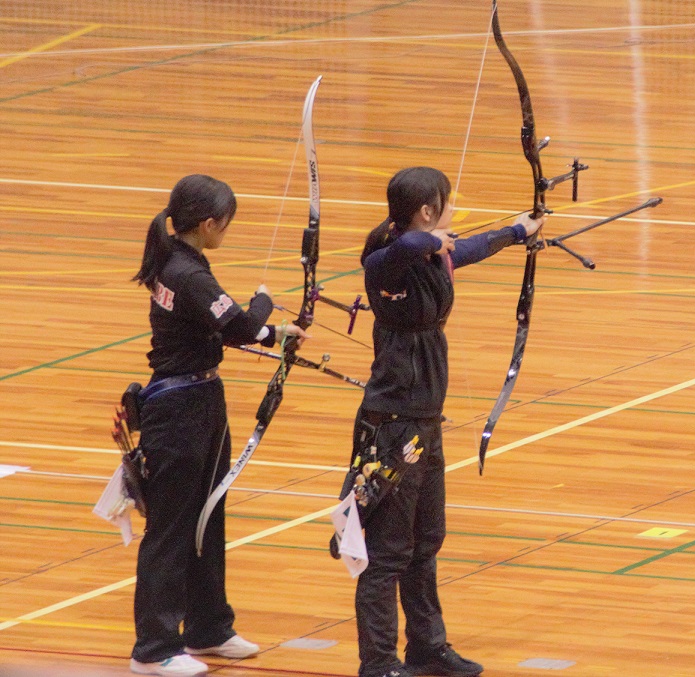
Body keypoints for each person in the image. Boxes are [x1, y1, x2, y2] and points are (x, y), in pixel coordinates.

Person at [351, 166, 545, 677]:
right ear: (427, 212)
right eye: (446, 205)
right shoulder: (386, 261)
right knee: (388, 551)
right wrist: (429, 240)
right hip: (393, 424)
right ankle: (378, 662)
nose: (452, 213)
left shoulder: (427, 249)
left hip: (424, 420)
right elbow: (405, 249)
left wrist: (517, 231)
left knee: (426, 540)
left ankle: (427, 647)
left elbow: (464, 248)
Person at [129, 174, 308, 677]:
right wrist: (266, 305)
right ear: (207, 224)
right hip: (178, 410)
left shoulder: (178, 259)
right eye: (225, 224)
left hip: (201, 397)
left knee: (208, 515)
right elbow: (241, 326)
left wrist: (277, 333)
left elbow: (222, 329)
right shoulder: (187, 273)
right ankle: (154, 648)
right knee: (170, 530)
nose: (225, 231)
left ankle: (208, 627)